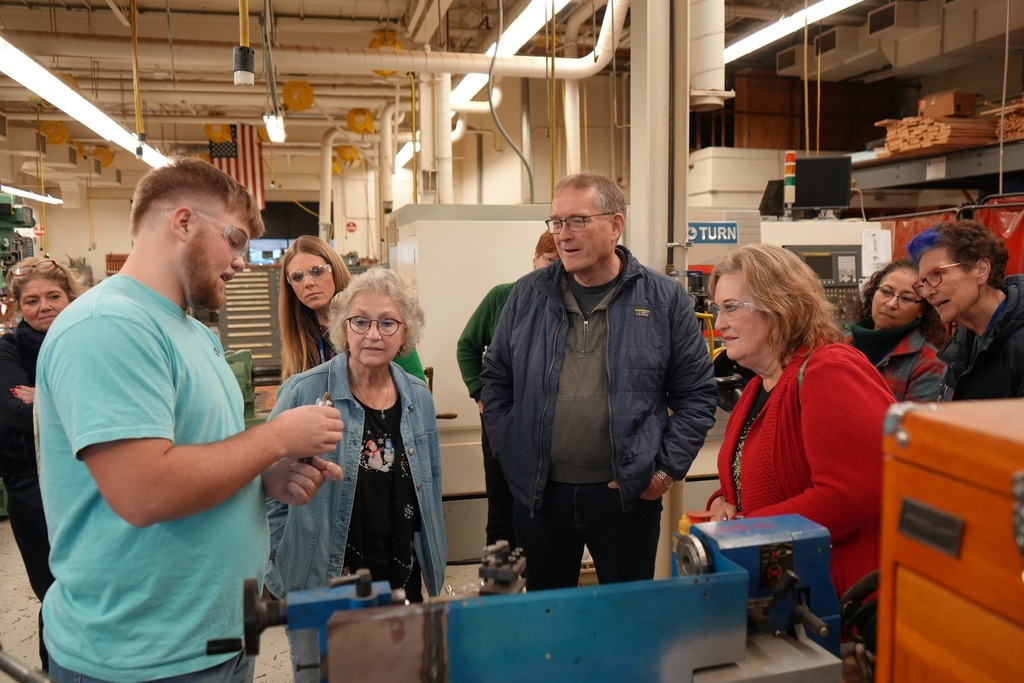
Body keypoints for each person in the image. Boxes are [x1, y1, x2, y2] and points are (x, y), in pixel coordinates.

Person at [35, 157, 344, 683]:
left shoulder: (192, 331)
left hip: (215, 637)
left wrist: (261, 481)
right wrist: (275, 438)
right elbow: (146, 490)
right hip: (143, 657)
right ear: (183, 223)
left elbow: (199, 454)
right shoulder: (109, 327)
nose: (242, 263)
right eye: (236, 240)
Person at [480, 172, 717, 591]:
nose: (563, 236)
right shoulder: (527, 295)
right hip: (539, 495)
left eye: (577, 221)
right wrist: (509, 447)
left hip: (626, 495)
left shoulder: (664, 300)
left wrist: (663, 472)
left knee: (626, 616)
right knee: (549, 615)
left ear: (615, 225)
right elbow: (497, 377)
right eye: (556, 222)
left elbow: (696, 395)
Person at [265, 266, 446, 682]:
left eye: (387, 323)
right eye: (360, 321)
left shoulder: (417, 396)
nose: (373, 334)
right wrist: (285, 558)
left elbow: (430, 485)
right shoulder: (303, 392)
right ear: (343, 328)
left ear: (406, 334)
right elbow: (270, 490)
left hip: (402, 572)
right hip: (325, 577)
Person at [705, 244, 895, 598]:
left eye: (731, 308)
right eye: (718, 309)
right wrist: (721, 501)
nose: (720, 324)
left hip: (839, 596)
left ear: (779, 306)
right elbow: (752, 476)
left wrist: (746, 529)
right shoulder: (758, 387)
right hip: (785, 588)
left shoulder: (829, 370)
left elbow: (850, 496)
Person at [0, 257, 86, 670]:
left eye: (54, 296)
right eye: (31, 301)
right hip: (31, 486)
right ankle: (56, 672)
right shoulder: (7, 349)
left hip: (84, 478)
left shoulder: (87, 339)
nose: (44, 306)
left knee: (90, 586)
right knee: (55, 593)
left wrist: (43, 398)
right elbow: (15, 413)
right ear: (19, 307)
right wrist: (73, 403)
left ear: (71, 297)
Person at [456, 230, 558, 548]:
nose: (554, 269)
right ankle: (500, 583)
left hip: (547, 424)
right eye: (549, 261)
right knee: (501, 507)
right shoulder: (502, 296)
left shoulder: (569, 303)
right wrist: (480, 393)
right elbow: (467, 346)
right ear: (535, 259)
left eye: (560, 262)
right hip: (503, 419)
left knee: (544, 510)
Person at [279, 234, 427, 382]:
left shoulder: (379, 316)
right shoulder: (299, 334)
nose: (307, 283)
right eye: (297, 277)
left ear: (335, 269)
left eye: (316, 271)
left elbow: (416, 387)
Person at [908, 219, 1024, 400]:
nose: (926, 293)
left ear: (981, 270)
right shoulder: (964, 341)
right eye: (922, 282)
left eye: (937, 274)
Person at [848, 258, 948, 401]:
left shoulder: (928, 362)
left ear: (922, 310)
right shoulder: (839, 343)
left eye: (906, 298)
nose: (891, 304)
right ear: (873, 294)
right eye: (886, 292)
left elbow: (914, 422)